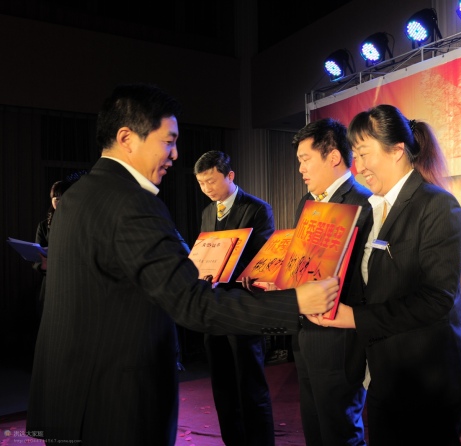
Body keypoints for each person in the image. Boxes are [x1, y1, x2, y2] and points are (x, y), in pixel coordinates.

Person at [26, 83, 338, 446]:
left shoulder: (76, 196)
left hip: (67, 399)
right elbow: (192, 303)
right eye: (168, 141)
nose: (175, 154)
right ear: (127, 138)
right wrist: (296, 301)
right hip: (115, 406)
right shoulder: (133, 203)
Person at [307, 104, 461, 446]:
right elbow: (371, 285)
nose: (358, 166)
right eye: (356, 155)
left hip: (429, 380)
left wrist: (355, 318)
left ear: (397, 150)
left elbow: (436, 299)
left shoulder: (437, 206)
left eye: (364, 154)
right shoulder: (373, 210)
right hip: (386, 374)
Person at [291, 118, 373, 446]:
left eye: (305, 159)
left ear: (334, 157)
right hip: (306, 333)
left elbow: (367, 280)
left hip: (340, 338)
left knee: (340, 430)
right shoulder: (306, 202)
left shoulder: (364, 203)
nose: (300, 169)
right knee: (314, 426)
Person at [194, 150, 276, 446]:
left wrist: (235, 269)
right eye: (201, 183)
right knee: (222, 384)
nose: (207, 188)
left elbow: (264, 257)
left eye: (211, 181)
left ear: (230, 176)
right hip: (215, 306)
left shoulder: (257, 209)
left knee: (250, 383)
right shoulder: (207, 212)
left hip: (243, 307)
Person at [32, 172, 84, 323]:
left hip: (72, 281)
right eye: (56, 199)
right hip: (50, 282)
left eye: (63, 198)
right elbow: (36, 257)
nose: (59, 202)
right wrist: (42, 265)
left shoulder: (78, 222)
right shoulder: (43, 226)